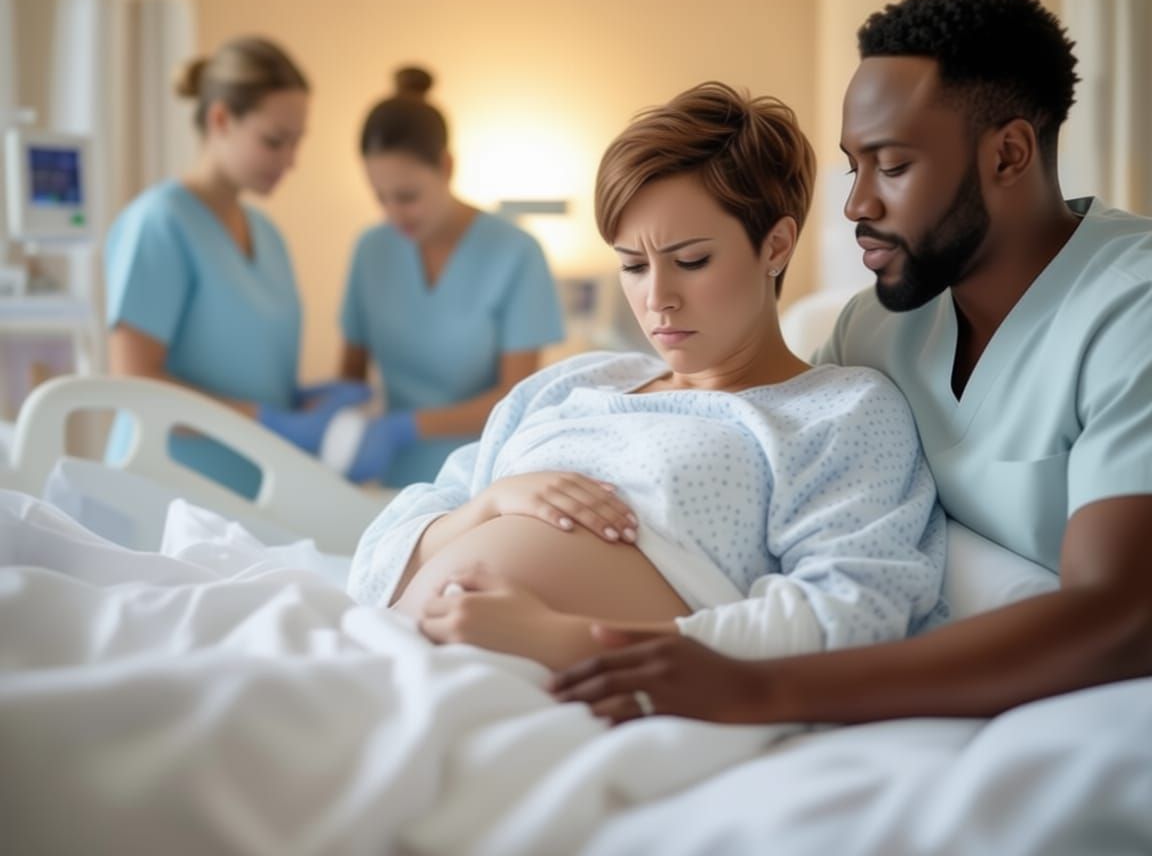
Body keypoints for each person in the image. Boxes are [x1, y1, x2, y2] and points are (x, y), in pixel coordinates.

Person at [551, 0, 1152, 723]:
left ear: (1009, 154)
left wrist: (761, 686)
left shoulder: (1133, 310)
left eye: (892, 167)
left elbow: (1122, 618)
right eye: (853, 167)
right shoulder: (875, 328)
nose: (856, 205)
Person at [348, 82, 947, 672]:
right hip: (384, 648)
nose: (658, 298)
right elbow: (376, 556)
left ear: (777, 246)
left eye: (691, 261)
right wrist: (486, 506)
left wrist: (569, 640)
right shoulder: (575, 384)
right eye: (632, 265)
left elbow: (850, 615)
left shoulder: (839, 413)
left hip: (563, 691)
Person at [104, 36, 369, 498]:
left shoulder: (267, 235)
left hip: (249, 497)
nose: (291, 161)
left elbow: (251, 374)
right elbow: (133, 380)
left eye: (297, 142)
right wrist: (265, 421)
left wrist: (301, 406)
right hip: (163, 494)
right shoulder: (161, 223)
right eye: (274, 141)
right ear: (221, 119)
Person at [336, 66, 565, 488]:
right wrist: (336, 420)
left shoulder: (516, 253)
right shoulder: (371, 250)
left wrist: (407, 425)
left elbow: (517, 398)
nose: (392, 213)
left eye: (407, 196)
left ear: (446, 166)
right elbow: (350, 379)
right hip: (387, 481)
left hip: (481, 479)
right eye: (380, 197)